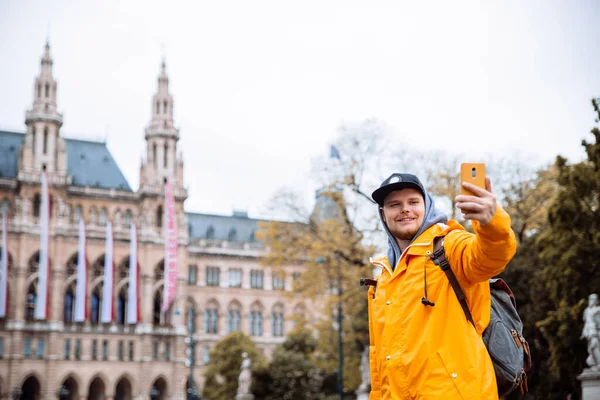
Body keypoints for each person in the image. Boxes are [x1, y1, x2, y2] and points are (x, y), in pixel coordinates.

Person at [367, 172, 516, 399]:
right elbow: (378, 357)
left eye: (413, 202)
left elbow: (491, 257)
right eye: (394, 204)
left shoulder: (449, 246)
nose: (405, 209)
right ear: (383, 214)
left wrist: (491, 222)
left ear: (426, 206)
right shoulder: (382, 279)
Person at [581, 293, 600, 368]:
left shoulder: (598, 309)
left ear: (597, 300)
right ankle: (596, 363)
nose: (591, 300)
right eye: (590, 299)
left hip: (596, 330)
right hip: (589, 332)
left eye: (593, 299)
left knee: (595, 345)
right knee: (591, 348)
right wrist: (584, 332)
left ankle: (599, 363)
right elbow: (586, 322)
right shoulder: (587, 311)